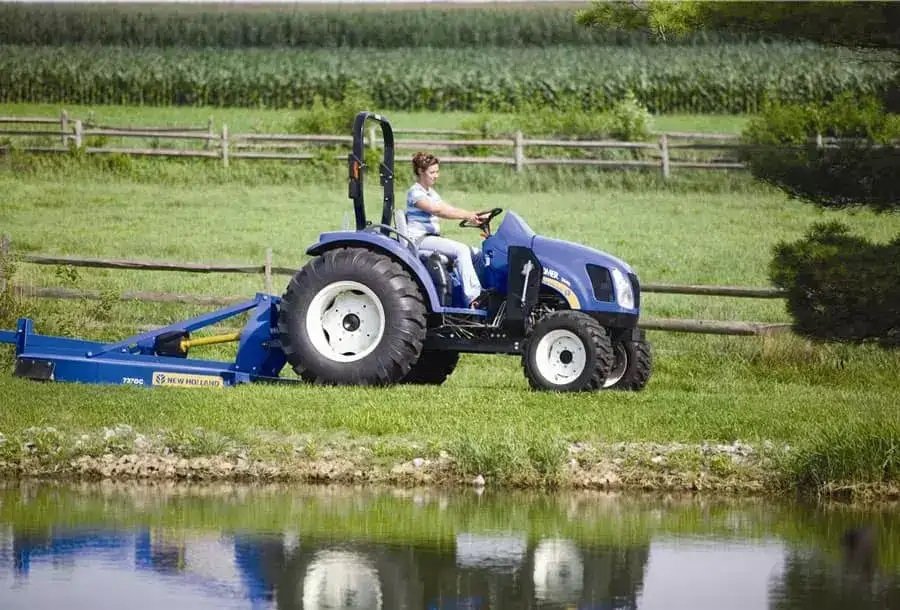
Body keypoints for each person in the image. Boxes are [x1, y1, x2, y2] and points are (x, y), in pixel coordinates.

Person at [406, 151, 488, 307]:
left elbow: (447, 208)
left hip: (432, 238)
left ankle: (486, 292)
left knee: (476, 254)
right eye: (432, 172)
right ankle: (474, 298)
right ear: (420, 171)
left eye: (437, 171)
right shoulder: (415, 192)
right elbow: (438, 210)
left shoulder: (431, 193)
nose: (436, 176)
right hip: (419, 239)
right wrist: (468, 215)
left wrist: (475, 216)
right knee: (461, 251)